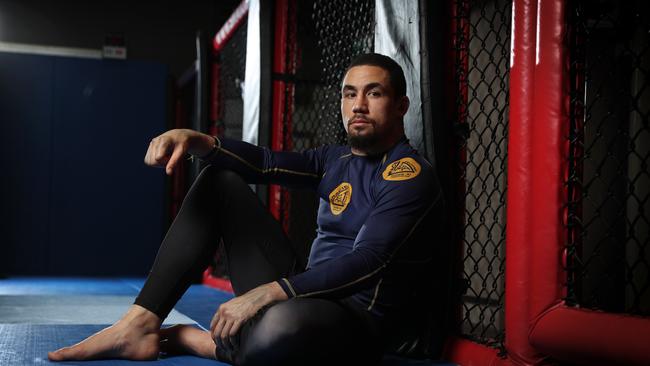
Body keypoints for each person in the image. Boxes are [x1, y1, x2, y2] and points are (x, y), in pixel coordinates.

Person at [47, 53, 445, 365]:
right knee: (218, 178)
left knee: (281, 326)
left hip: (354, 323)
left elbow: (371, 261)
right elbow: (266, 161)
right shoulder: (334, 160)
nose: (358, 105)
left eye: (373, 93)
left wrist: (265, 294)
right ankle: (140, 323)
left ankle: (193, 340)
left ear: (400, 106)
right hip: (303, 295)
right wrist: (200, 140)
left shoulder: (408, 174)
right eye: (349, 93)